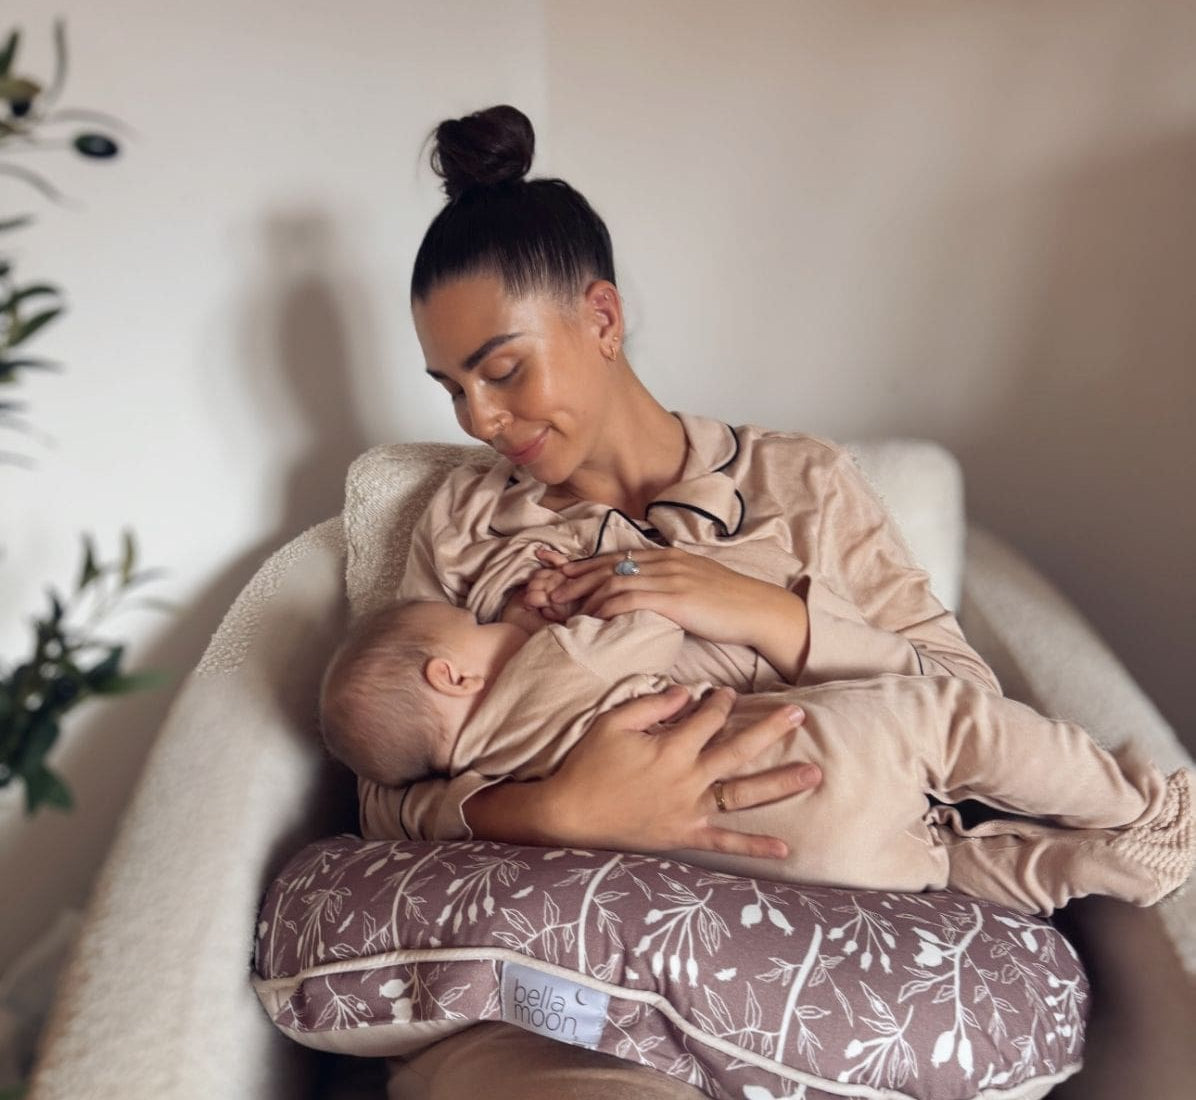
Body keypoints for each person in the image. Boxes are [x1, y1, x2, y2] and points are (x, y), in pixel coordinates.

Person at [360, 104, 1193, 1099]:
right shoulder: (460, 522)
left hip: (836, 940)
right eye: (451, 388)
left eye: (500, 369)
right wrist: (556, 808)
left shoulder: (803, 483)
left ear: (601, 318)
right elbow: (384, 776)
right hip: (584, 975)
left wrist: (769, 616)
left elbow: (961, 704)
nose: (480, 418)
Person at [325, 596, 1191, 915]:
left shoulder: (475, 786)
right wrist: (558, 615)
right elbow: (652, 626)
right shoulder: (555, 660)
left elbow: (391, 812)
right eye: (475, 626)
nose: (494, 621)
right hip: (823, 754)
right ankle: (1131, 808)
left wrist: (523, 812)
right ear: (451, 671)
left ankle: (1096, 868)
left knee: (956, 871)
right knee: (959, 721)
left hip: (808, 871)